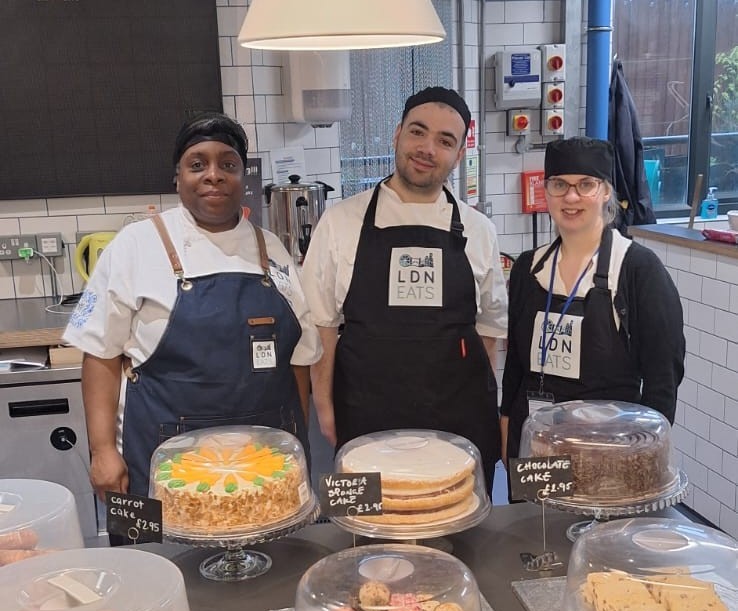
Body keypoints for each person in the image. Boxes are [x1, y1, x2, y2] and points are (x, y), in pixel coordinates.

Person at [63, 112, 321, 504]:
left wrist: (298, 444)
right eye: (197, 164)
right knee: (160, 564)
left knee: (273, 563)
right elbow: (100, 353)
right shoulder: (136, 245)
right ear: (177, 177)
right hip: (161, 464)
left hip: (263, 468)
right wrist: (102, 452)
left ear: (242, 177)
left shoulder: (273, 250)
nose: (213, 175)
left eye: (228, 164)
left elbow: (299, 362)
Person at [301, 86, 508, 491]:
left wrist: (480, 400)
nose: (427, 148)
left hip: (457, 415)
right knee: (373, 540)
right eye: (418, 132)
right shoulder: (341, 221)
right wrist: (324, 405)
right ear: (397, 134)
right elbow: (321, 322)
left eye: (445, 141)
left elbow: (488, 328)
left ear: (459, 154)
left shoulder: (479, 230)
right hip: (366, 410)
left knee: (455, 525)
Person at [500, 136, 685, 468]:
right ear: (547, 191)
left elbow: (663, 378)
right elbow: (515, 363)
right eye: (559, 184)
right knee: (535, 521)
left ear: (605, 191)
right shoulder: (528, 269)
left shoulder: (637, 270)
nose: (571, 197)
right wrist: (506, 429)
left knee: (599, 523)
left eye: (585, 184)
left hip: (610, 452)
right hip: (538, 446)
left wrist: (645, 455)